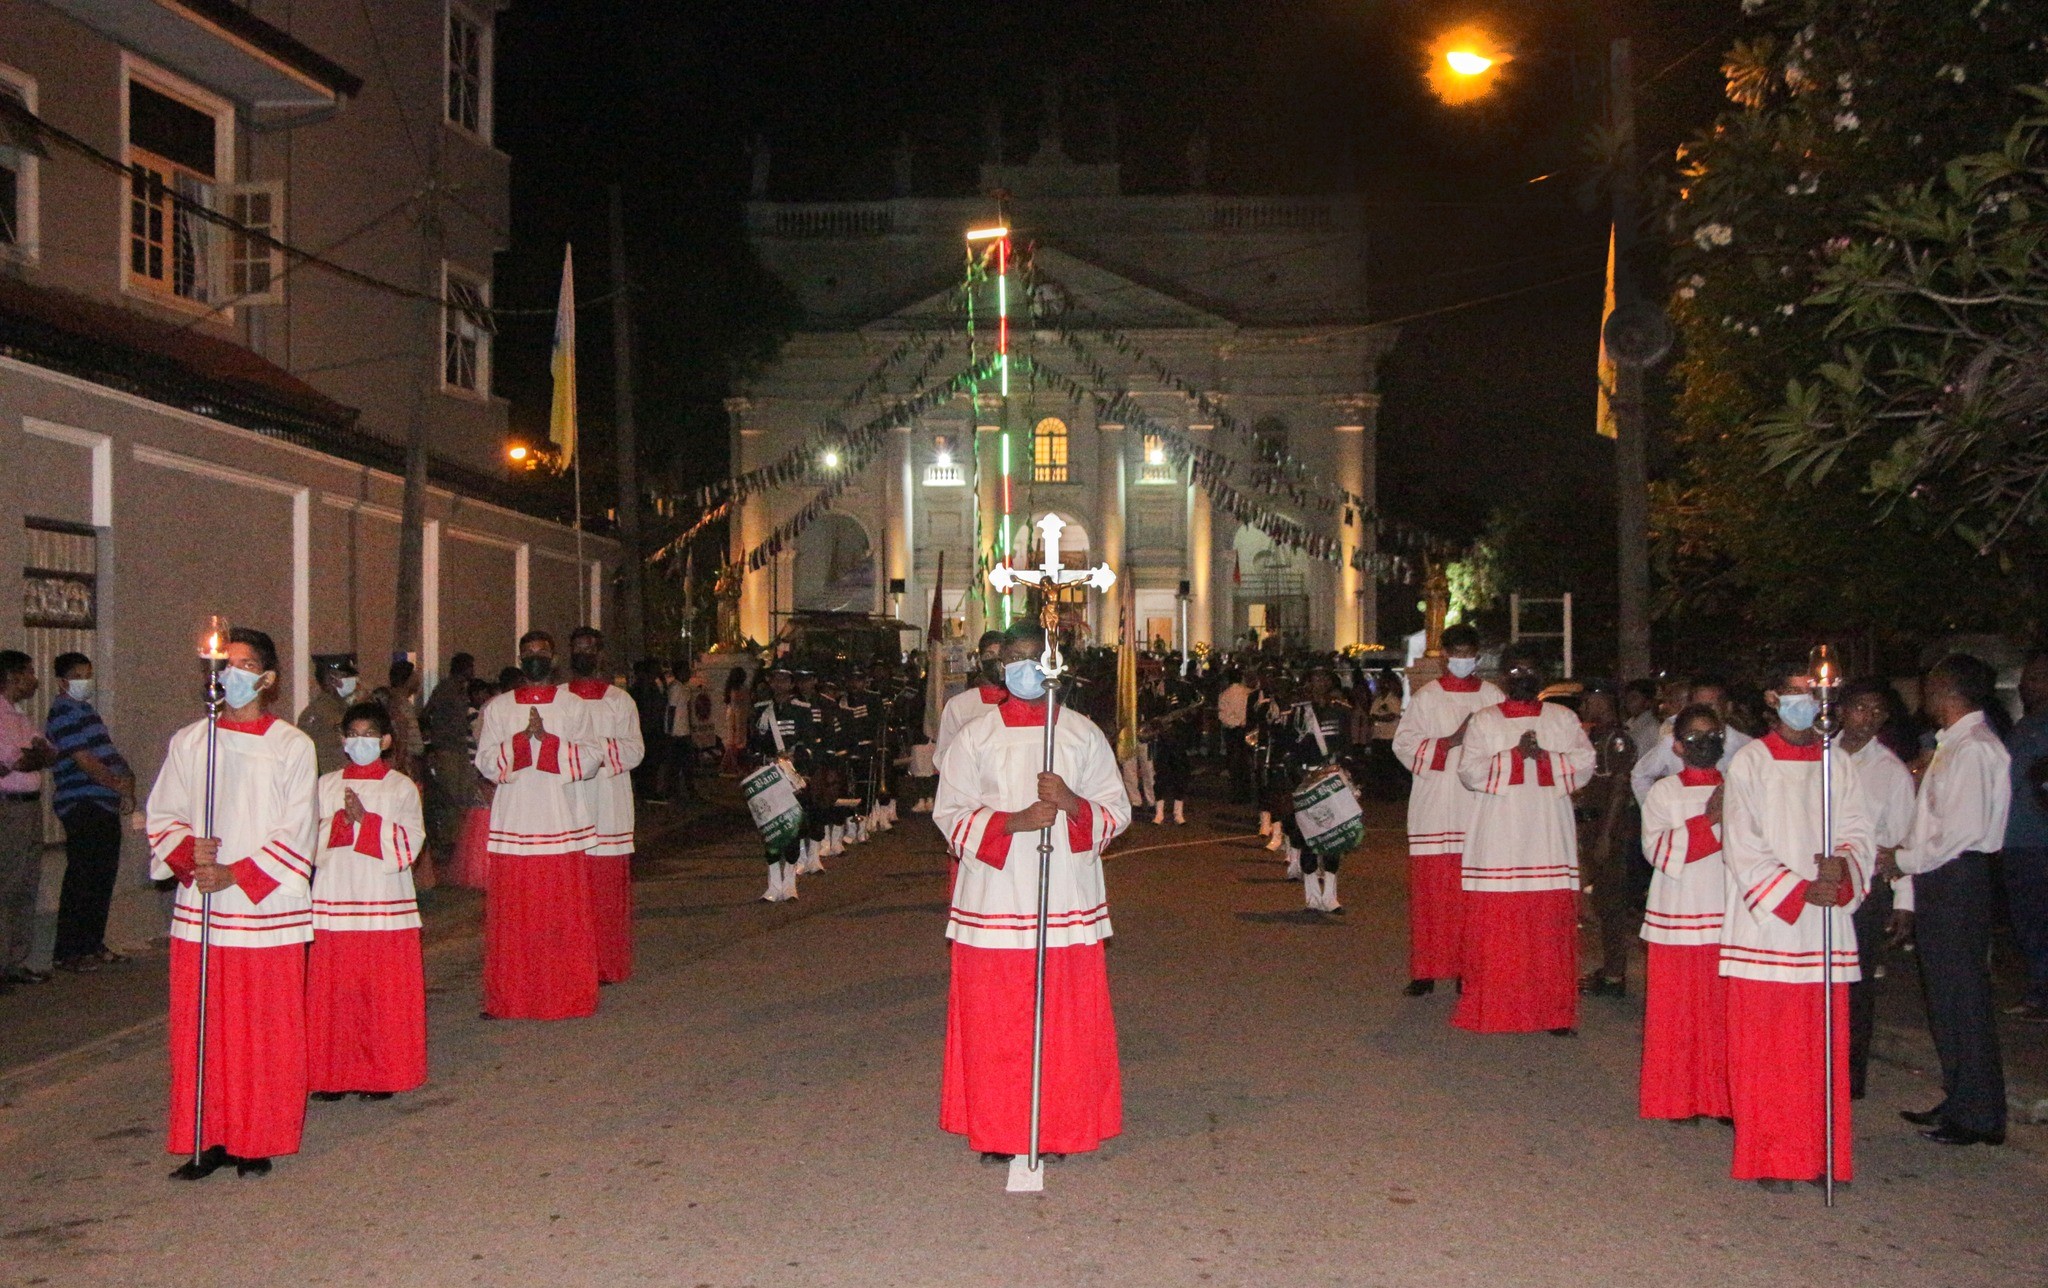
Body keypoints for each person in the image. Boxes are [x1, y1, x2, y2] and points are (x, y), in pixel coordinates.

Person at [934, 623, 1131, 1162]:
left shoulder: (1081, 734)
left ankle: (1058, 1126)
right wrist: (1015, 821)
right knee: (998, 1021)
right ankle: (1001, 1130)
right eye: (1015, 659)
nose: (1025, 668)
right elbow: (948, 813)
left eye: (1035, 659)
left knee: (1060, 1022)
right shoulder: (977, 735)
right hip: (995, 897)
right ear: (1000, 668)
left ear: (1055, 667)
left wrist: (1072, 803)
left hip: (1064, 895)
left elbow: (1117, 810)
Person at [146, 627, 318, 1178]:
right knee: (205, 1024)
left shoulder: (292, 745)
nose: (231, 673)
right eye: (224, 663)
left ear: (266, 679)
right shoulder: (192, 740)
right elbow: (163, 813)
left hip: (261, 907)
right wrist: (187, 854)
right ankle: (209, 1133)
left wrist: (236, 872)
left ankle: (257, 1136)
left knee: (262, 1028)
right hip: (203, 908)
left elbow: (298, 829)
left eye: (244, 664)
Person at [1718, 664, 1871, 1190]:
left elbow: (1856, 829)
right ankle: (1769, 1155)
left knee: (1818, 1046)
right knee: (1766, 1048)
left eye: (1815, 694)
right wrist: (1798, 887)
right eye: (1795, 695)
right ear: (1772, 699)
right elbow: (1741, 842)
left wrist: (1844, 868)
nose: (1806, 703)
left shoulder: (1839, 762)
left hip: (1823, 923)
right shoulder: (1750, 761)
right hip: (1770, 924)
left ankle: (1820, 1152)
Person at [1894, 654, 2012, 1147]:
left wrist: (1902, 860)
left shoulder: (1975, 749)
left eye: (1929, 686)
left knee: (1963, 996)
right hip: (1940, 874)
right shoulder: (1953, 745)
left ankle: (1980, 1114)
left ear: (1946, 689)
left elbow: (1959, 833)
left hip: (1956, 875)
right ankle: (1962, 1096)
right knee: (1944, 993)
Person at [1452, 644, 1596, 1035]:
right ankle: (1496, 1007)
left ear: (1542, 677)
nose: (1522, 677)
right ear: (1502, 677)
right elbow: (1469, 772)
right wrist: (1515, 756)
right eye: (1514, 671)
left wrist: (1545, 757)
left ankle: (1554, 1011)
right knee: (1500, 933)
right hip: (1498, 839)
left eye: (1530, 670)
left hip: (1549, 837)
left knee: (1548, 930)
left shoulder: (1563, 718)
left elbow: (1585, 765)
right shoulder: (1484, 720)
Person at [475, 630, 604, 1020]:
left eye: (541, 652)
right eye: (527, 653)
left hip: (560, 819)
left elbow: (592, 757)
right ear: (519, 658)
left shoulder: (572, 706)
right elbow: (484, 761)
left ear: (553, 658)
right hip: (514, 822)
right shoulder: (498, 708)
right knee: (514, 916)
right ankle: (512, 996)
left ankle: (564, 994)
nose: (534, 658)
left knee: (558, 914)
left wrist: (547, 743)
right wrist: (519, 743)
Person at [306, 702, 427, 1101]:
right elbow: (305, 839)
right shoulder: (325, 785)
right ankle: (333, 1072)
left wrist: (366, 821)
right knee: (335, 991)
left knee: (379, 991)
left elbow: (409, 843)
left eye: (369, 735)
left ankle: (380, 1072)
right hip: (335, 897)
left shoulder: (400, 787)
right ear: (342, 740)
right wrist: (340, 821)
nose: (360, 742)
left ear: (386, 741)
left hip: (381, 902)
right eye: (353, 735)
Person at [1390, 626, 1500, 995]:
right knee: (1432, 896)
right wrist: (1450, 741)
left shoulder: (1492, 696)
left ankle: (1467, 970)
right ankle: (1426, 970)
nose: (1462, 660)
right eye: (1456, 653)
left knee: (1473, 899)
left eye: (1469, 653)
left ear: (1478, 656)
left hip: (1478, 811)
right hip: (1435, 808)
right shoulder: (1427, 697)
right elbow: (1403, 744)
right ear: (1444, 656)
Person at [1637, 704, 1733, 1122]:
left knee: (1724, 1015)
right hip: (1677, 915)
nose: (1704, 744)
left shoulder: (1741, 786)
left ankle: (1725, 1098)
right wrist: (1710, 821)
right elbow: (1658, 850)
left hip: (1730, 915)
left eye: (1713, 736)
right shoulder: (1664, 792)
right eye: (1694, 738)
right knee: (1678, 1016)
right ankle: (1679, 1098)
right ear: (1677, 746)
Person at [1838, 679, 1918, 1100]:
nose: (1867, 718)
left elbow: (1901, 839)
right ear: (1841, 709)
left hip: (1865, 889)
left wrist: (1904, 902)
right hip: (1815, 885)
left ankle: (1849, 1078)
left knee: (1857, 986)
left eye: (1876, 711)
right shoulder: (1818, 756)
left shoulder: (1890, 771)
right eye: (1859, 707)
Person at [45, 653, 136, 974]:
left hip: (103, 802)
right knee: (83, 876)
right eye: (80, 675)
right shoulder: (63, 712)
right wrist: (116, 785)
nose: (87, 681)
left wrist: (127, 784)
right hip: (82, 803)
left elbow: (108, 753)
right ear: (63, 681)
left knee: (102, 875)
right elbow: (86, 760)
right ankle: (69, 950)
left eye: (89, 673)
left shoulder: (87, 712)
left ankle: (92, 943)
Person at [567, 628, 644, 985]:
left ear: (600, 654)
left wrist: (590, 751)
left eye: (590, 647)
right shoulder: (555, 699)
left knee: (606, 892)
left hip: (609, 805)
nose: (583, 652)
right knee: (568, 893)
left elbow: (634, 750)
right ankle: (571, 963)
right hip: (567, 806)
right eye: (577, 647)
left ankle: (606, 964)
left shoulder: (620, 700)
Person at [1576, 687, 1640, 997]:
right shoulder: (1591, 738)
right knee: (1600, 902)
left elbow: (1619, 789)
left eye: (1596, 700)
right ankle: (1609, 968)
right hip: (1590, 825)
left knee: (1611, 903)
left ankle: (1615, 976)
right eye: (1588, 701)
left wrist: (1605, 835)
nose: (1589, 706)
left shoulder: (1617, 739)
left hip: (1608, 828)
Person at [0, 651, 57, 989]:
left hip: (28, 806)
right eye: (29, 672)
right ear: (12, 676)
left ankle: (15, 961)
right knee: (8, 885)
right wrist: (33, 756)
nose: (34, 679)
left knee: (25, 885)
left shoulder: (18, 715)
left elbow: (48, 753)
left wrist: (34, 756)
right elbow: (16, 762)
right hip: (9, 808)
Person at [2000, 650, 2048, 1024]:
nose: (2027, 685)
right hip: (2018, 839)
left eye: (2037, 677)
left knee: (2036, 920)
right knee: (2028, 922)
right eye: (2027, 677)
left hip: (2036, 842)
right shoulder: (2026, 724)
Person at [1284, 667, 1355, 913]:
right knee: (1308, 841)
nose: (1319, 682)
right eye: (1314, 678)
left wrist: (1345, 774)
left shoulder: (1341, 710)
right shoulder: (1298, 713)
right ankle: (1312, 898)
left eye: (1324, 678)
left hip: (1333, 781)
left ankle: (1331, 897)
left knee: (1335, 840)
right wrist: (1299, 779)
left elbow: (1347, 747)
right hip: (1306, 780)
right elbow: (1290, 750)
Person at [1632, 677, 1753, 804]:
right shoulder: (1674, 742)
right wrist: (1654, 812)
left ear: (1727, 708)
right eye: (1697, 707)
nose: (1703, 713)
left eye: (1709, 706)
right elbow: (1640, 775)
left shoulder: (1746, 747)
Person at [749, 667, 812, 901]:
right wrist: (761, 762)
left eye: (784, 679)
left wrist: (797, 759)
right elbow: (753, 745)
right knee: (770, 829)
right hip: (769, 775)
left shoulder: (802, 710)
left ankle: (790, 883)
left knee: (792, 828)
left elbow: (808, 744)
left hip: (792, 775)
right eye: (775, 680)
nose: (779, 684)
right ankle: (773, 884)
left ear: (791, 683)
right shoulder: (761, 710)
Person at [421, 652, 477, 852]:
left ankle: (459, 840)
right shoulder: (445, 688)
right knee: (450, 796)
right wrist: (431, 744)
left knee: (463, 796)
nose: (472, 671)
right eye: (469, 666)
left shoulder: (461, 690)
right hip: (447, 749)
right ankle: (447, 841)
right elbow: (427, 713)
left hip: (459, 748)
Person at [935, 631, 1010, 768]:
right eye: (989, 655)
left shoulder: (1021, 702)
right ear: (980, 663)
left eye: (1001, 655)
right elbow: (944, 757)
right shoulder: (958, 705)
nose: (997, 662)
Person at [1139, 665, 1199, 825]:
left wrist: (1186, 717)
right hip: (1162, 738)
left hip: (1179, 738)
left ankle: (1178, 813)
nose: (1173, 672)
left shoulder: (1186, 688)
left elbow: (1193, 711)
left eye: (1176, 668)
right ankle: (1159, 814)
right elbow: (1150, 709)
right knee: (1161, 776)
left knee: (1180, 775)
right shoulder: (1156, 687)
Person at [296, 659, 358, 777]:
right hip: (327, 780)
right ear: (332, 679)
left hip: (346, 776)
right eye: (346, 676)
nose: (353, 680)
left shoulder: (345, 707)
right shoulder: (315, 712)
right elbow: (303, 753)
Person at [375, 660, 426, 780]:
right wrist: (401, 763)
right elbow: (401, 733)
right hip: (406, 761)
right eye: (414, 675)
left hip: (409, 759)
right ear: (406, 679)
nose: (418, 679)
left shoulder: (402, 701)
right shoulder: (396, 702)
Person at [1217, 667, 1253, 800]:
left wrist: (1234, 723)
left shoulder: (1224, 694)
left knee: (1233, 762)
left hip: (1232, 731)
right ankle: (1246, 791)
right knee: (1245, 762)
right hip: (1245, 729)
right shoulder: (1248, 693)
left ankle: (1237, 791)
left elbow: (1222, 716)